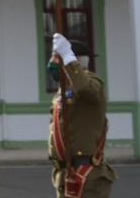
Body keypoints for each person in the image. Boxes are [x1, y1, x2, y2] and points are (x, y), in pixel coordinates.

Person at [47, 34, 116, 198]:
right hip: (66, 172)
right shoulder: (64, 89)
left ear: (74, 61)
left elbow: (85, 88)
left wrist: (69, 60)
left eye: (56, 57)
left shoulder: (94, 85)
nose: (51, 62)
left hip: (86, 174)